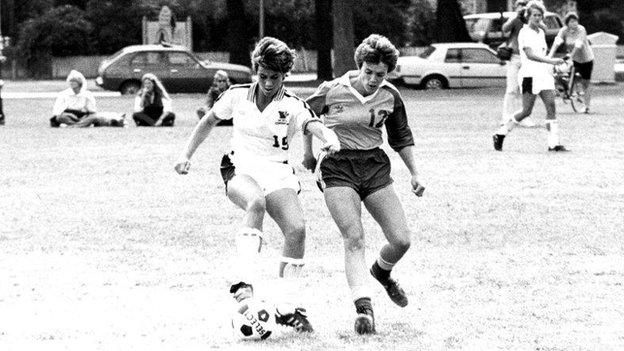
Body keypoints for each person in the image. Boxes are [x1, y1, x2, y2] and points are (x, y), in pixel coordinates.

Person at [174, 36, 341, 333]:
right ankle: (243, 282)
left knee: (297, 230)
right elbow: (209, 121)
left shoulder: (292, 104)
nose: (266, 82)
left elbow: (310, 123)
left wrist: (328, 137)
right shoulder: (237, 95)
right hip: (240, 167)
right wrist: (186, 155)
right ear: (256, 70)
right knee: (255, 203)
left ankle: (287, 308)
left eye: (274, 77)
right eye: (262, 75)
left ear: (284, 76)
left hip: (278, 172)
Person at [303, 34, 425, 335]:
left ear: (389, 73)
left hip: (374, 165)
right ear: (360, 66)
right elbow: (304, 116)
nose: (372, 79)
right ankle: (364, 310)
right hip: (337, 165)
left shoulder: (390, 95)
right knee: (354, 237)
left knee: (401, 240)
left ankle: (381, 272)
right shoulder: (332, 90)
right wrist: (307, 153)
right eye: (368, 71)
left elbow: (401, 138)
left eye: (379, 74)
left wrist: (415, 173)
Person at [493, 1, 567, 152]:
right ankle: (501, 133)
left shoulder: (540, 32)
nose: (538, 18)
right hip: (529, 75)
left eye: (540, 15)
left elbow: (543, 45)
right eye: (534, 15)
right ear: (528, 16)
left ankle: (553, 143)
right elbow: (530, 55)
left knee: (551, 106)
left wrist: (551, 67)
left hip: (543, 75)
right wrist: (551, 61)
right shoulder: (524, 33)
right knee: (526, 111)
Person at [500, 0, 538, 128]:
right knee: (511, 89)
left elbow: (544, 28)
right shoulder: (515, 19)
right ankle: (506, 116)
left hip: (528, 58)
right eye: (519, 6)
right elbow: (504, 29)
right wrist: (515, 17)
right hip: (515, 57)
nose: (522, 9)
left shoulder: (532, 19)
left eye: (524, 6)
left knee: (526, 89)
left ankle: (524, 116)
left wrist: (530, 19)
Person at [548, 12, 594, 114]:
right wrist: (549, 56)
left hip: (586, 59)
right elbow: (557, 42)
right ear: (567, 23)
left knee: (585, 83)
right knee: (559, 71)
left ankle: (587, 106)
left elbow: (579, 45)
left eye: (576, 21)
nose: (575, 23)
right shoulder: (564, 30)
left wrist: (571, 57)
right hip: (573, 59)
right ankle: (565, 89)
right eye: (572, 21)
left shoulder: (581, 29)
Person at [50, 70, 125, 128]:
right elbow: (56, 112)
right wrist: (68, 114)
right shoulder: (63, 94)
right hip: (66, 116)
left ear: (79, 83)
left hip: (81, 116)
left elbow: (92, 111)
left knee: (94, 117)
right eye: (71, 81)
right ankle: (80, 125)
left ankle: (76, 126)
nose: (72, 83)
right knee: (61, 117)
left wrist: (86, 116)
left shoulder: (86, 94)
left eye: (74, 81)